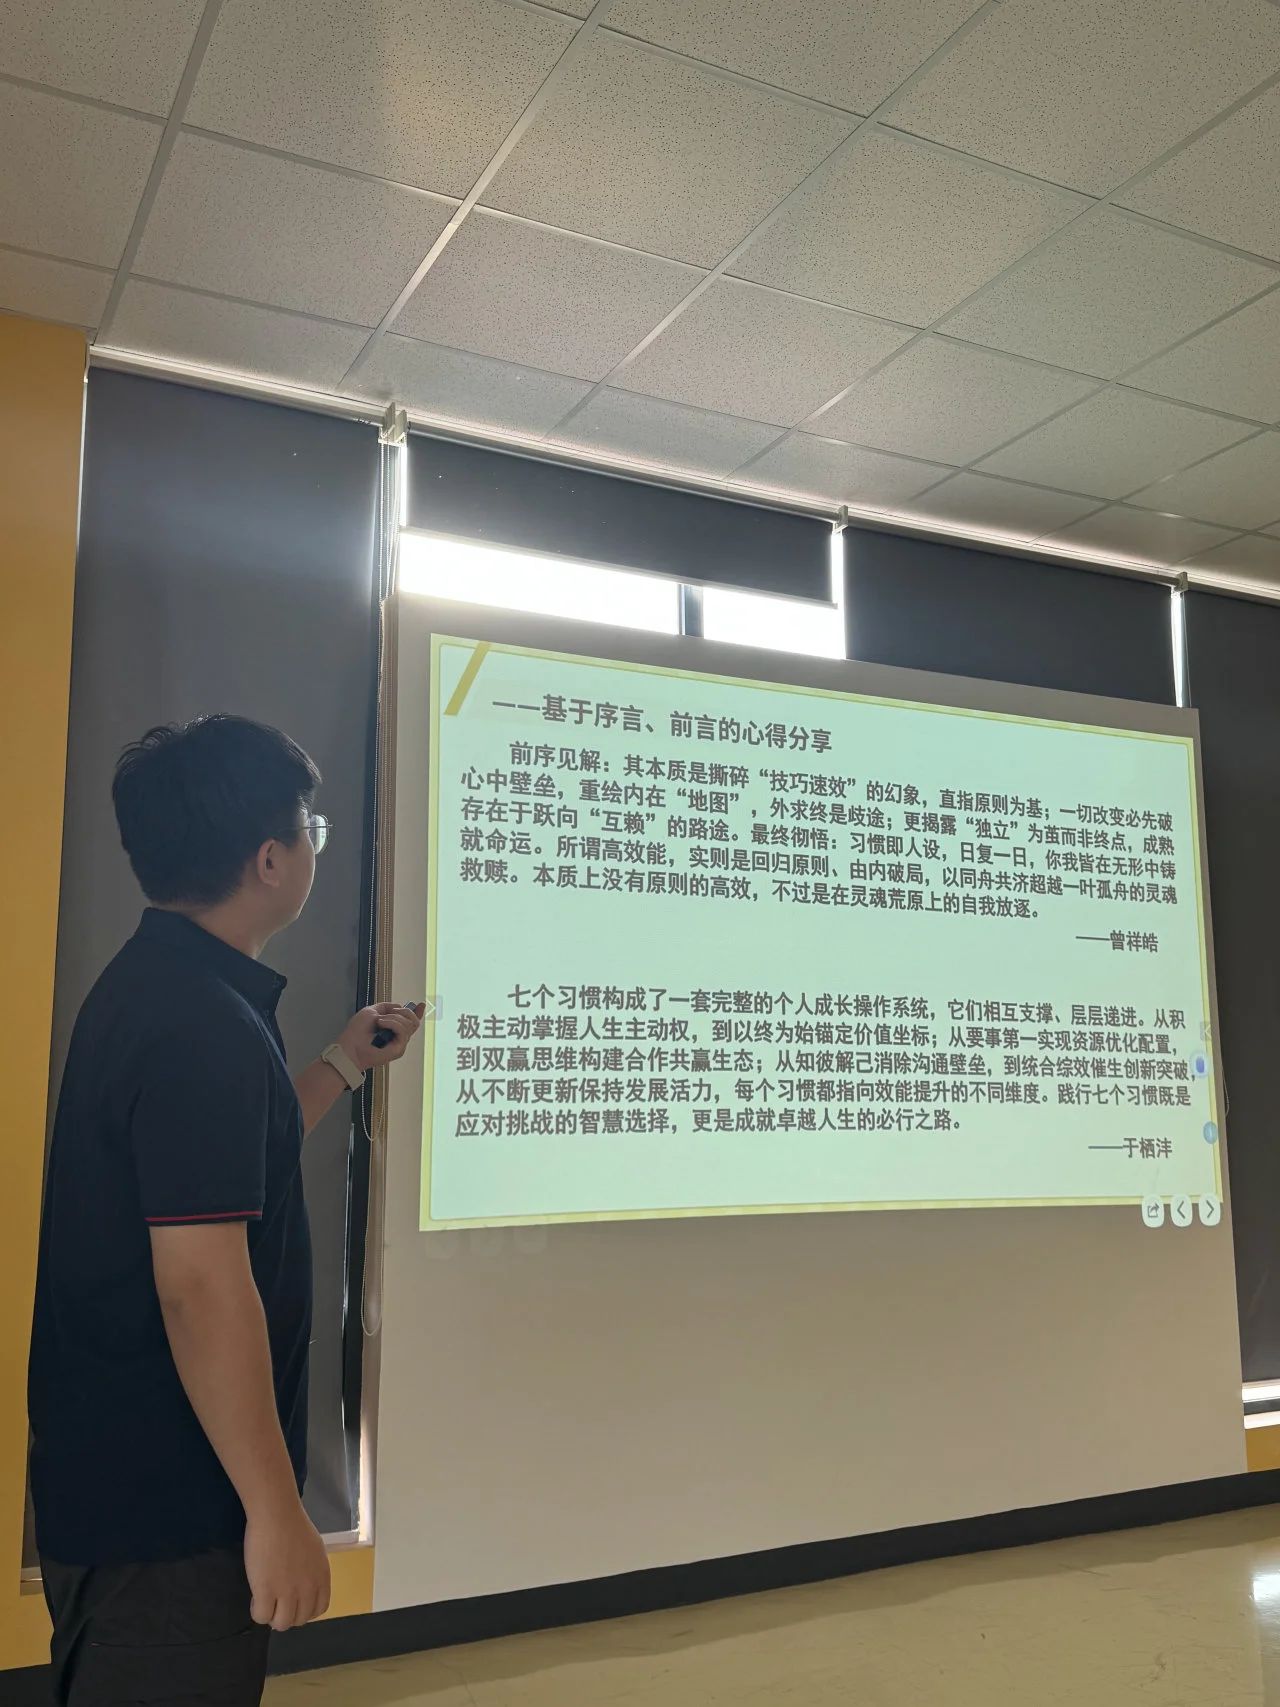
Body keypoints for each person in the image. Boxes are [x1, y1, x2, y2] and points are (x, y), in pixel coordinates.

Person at [28, 715, 422, 1707]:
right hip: (169, 1515)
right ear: (270, 860)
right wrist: (276, 1508)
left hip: (129, 1488)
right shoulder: (200, 1026)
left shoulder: (166, 989)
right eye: (311, 830)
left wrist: (343, 1062)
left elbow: (228, 1166)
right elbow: (201, 1287)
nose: (314, 849)